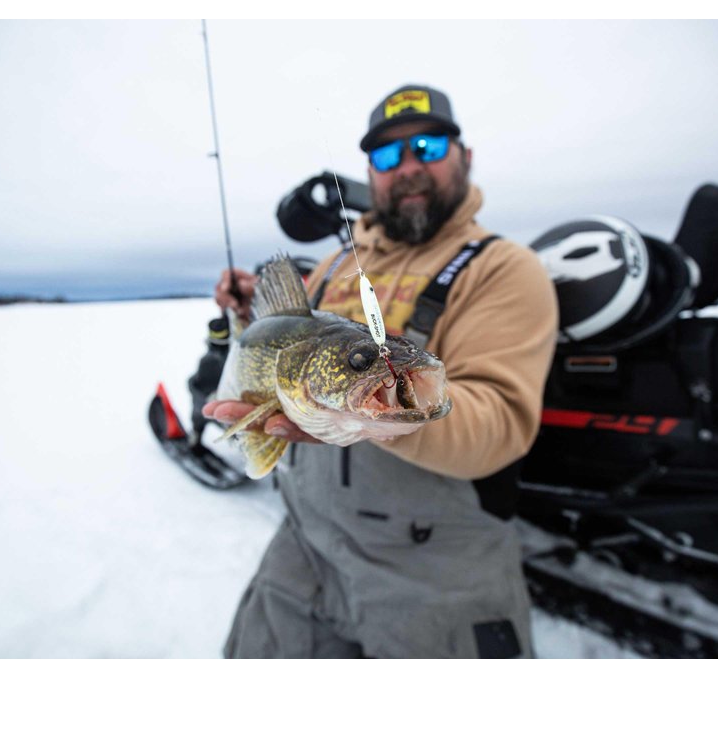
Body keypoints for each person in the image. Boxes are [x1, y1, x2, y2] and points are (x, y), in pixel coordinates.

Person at [205, 84, 559, 658]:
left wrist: (387, 413)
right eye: (388, 154)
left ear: (465, 156)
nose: (408, 166)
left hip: (435, 572)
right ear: (370, 171)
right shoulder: (335, 263)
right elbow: (293, 343)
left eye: (428, 146)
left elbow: (500, 422)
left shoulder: (502, 268)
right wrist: (250, 313)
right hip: (305, 546)